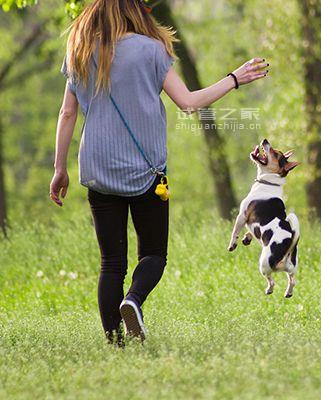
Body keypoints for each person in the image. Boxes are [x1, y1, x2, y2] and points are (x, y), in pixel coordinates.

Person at [49, 0, 268, 344]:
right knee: (153, 255)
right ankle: (132, 300)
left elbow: (66, 113)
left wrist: (59, 168)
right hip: (147, 170)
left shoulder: (79, 48)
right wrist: (234, 79)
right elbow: (189, 103)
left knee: (111, 263)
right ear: (137, 8)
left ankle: (116, 343)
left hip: (98, 170)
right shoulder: (151, 50)